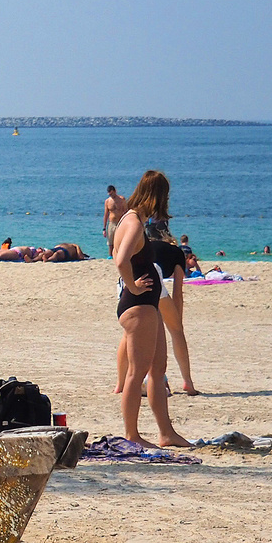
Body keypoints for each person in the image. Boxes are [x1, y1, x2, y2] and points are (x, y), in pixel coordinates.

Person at [112, 170, 190, 448]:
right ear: (157, 196)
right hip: (138, 306)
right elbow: (120, 260)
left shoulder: (128, 220)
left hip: (147, 306)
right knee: (137, 372)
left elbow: (116, 252)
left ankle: (166, 433)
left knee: (158, 369)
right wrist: (132, 286)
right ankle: (132, 435)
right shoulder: (132, 221)